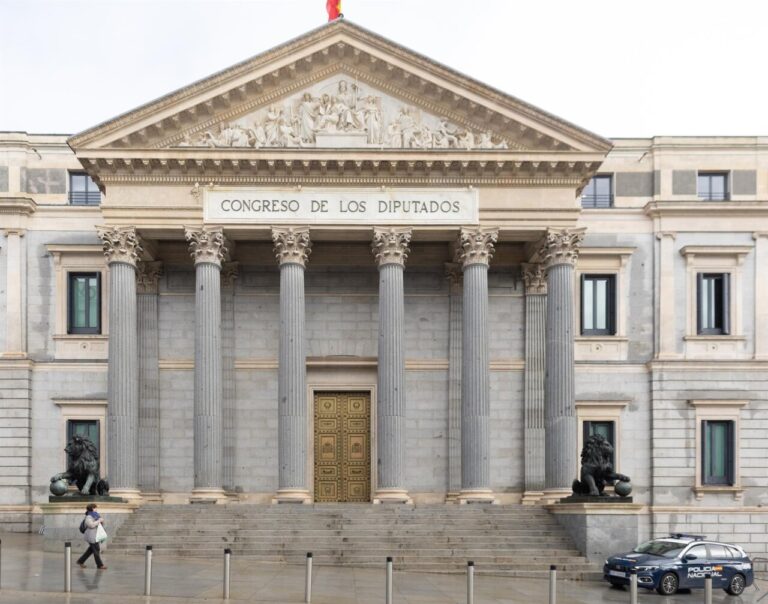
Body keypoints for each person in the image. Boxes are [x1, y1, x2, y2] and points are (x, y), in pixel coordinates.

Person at [77, 503, 107, 570]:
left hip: (95, 535)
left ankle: (80, 561)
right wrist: (99, 521)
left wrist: (101, 521)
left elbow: (99, 524)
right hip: (91, 536)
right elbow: (91, 525)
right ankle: (100, 565)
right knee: (96, 550)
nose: (96, 509)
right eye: (95, 508)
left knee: (90, 550)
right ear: (92, 508)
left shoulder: (96, 515)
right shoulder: (89, 516)